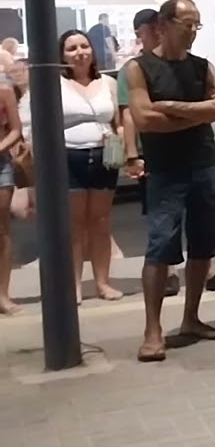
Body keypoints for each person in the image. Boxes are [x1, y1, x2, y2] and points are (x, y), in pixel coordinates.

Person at [124, 0, 215, 362]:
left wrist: (170, 107)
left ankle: (191, 318)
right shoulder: (139, 68)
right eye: (188, 23)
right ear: (165, 24)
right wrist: (198, 114)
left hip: (204, 164)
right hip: (165, 169)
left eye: (197, 25)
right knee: (160, 247)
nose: (193, 32)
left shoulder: (202, 67)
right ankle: (152, 330)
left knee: (203, 246)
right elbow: (144, 119)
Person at [58, 29, 125, 303]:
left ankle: (103, 282)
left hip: (103, 157)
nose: (79, 53)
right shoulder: (54, 84)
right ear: (62, 55)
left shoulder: (108, 83)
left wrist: (121, 144)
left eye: (84, 46)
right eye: (72, 48)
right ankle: (73, 285)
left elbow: (118, 121)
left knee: (100, 223)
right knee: (74, 225)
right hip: (68, 157)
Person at [0, 73, 20, 315]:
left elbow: (15, 130)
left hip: (1, 163)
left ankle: (3, 295)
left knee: (2, 231)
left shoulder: (4, 90)